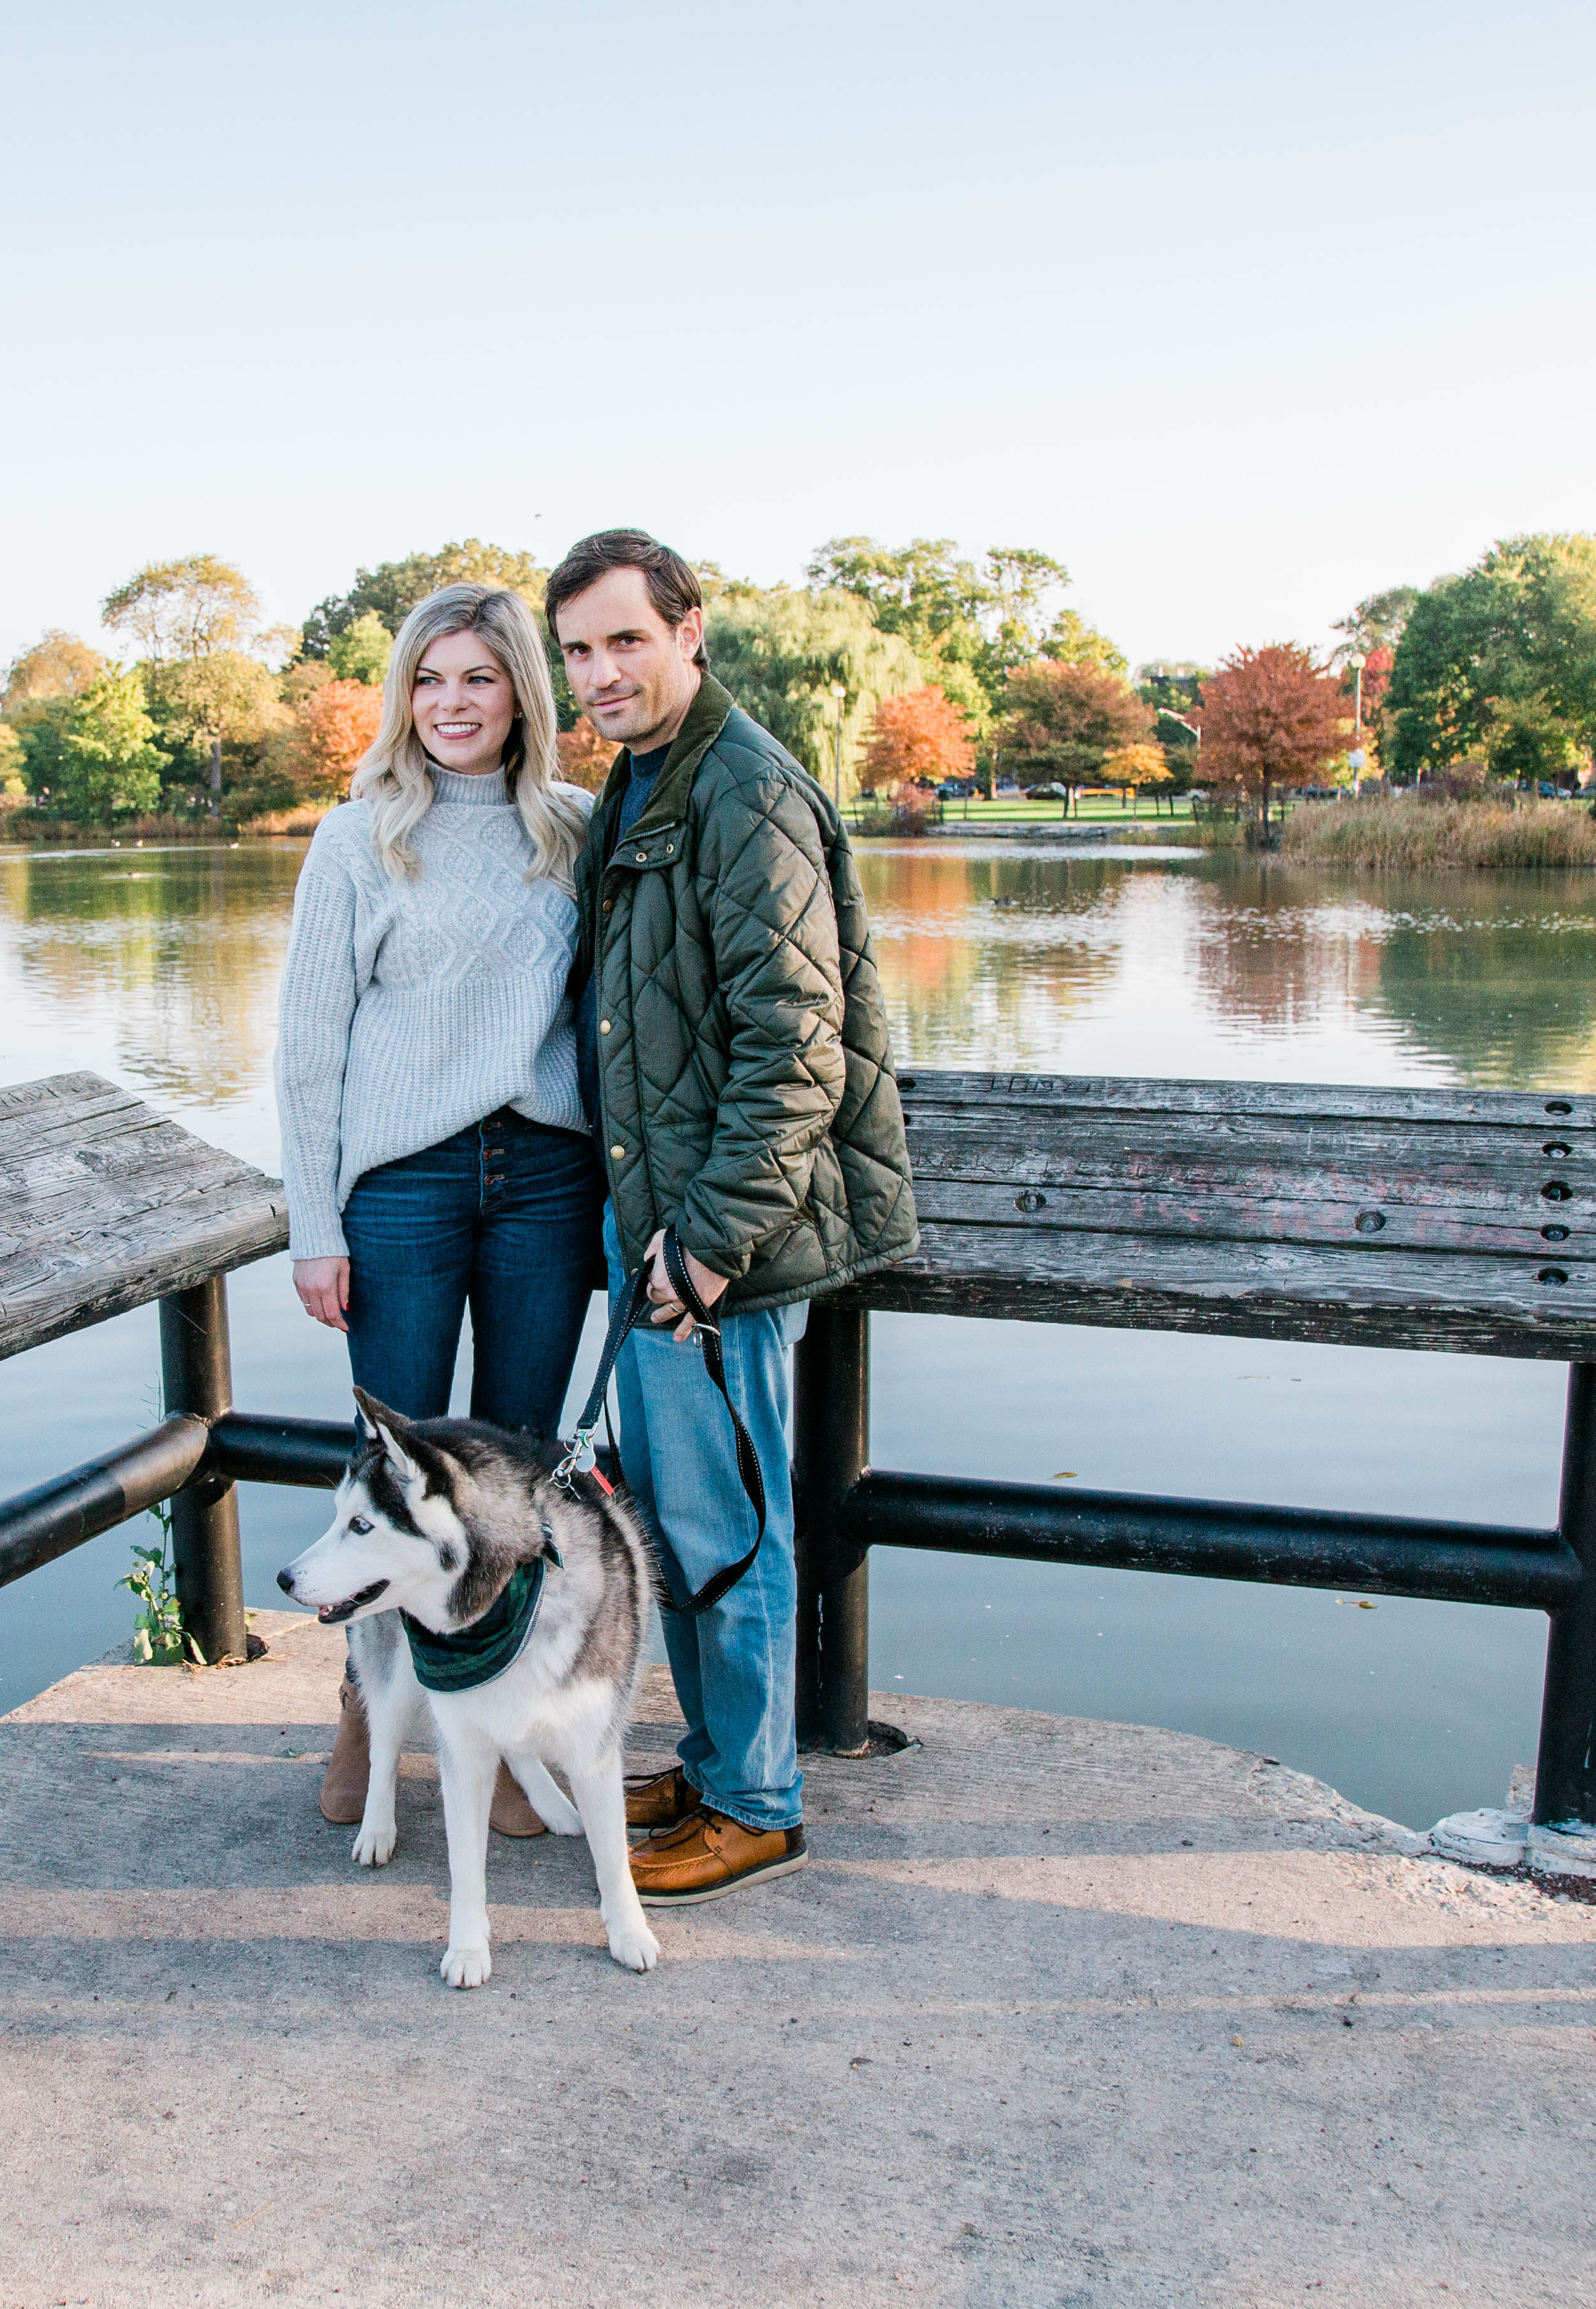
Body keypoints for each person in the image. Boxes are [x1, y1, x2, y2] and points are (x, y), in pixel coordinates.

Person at [547, 529, 917, 1908]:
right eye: (578, 649)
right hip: (663, 1228)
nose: (601, 672)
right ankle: (716, 1762)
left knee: (733, 1531)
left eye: (626, 640)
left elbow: (796, 1049)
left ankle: (757, 1802)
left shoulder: (743, 792)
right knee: (686, 1521)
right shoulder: (651, 782)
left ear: (690, 632)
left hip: (721, 1250)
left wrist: (706, 1245)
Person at [275, 582, 602, 1839]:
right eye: (429, 680)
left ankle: (509, 1734)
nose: (452, 704)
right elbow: (309, 1046)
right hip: (402, 1191)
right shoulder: (358, 836)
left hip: (546, 1181)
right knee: (390, 1467)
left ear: (523, 688)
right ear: (402, 697)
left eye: (479, 677)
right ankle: (369, 1712)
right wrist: (318, 1223)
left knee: (516, 1473)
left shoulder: (577, 828)